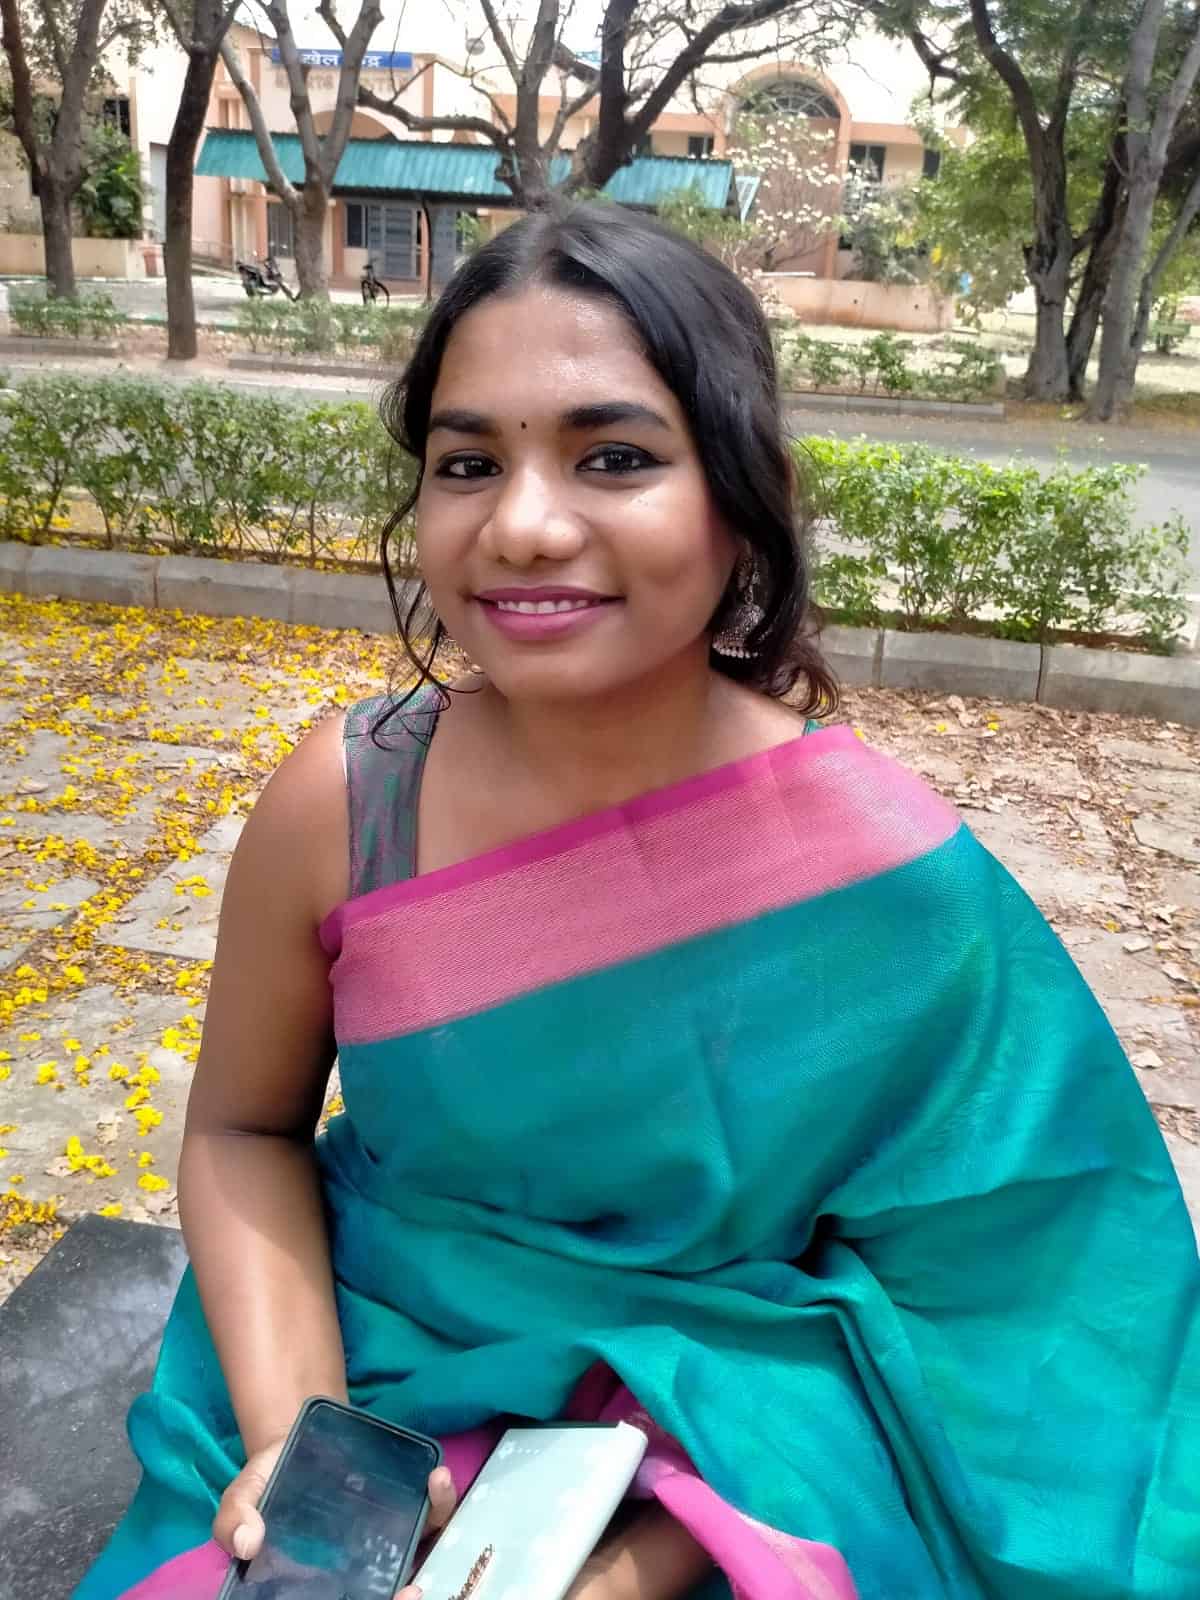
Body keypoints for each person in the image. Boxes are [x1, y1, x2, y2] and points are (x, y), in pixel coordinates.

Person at [77, 203, 1198, 1600]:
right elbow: (244, 1130)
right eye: (467, 463)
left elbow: (1014, 1293)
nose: (524, 525)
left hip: (742, 1440)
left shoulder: (877, 876)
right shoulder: (346, 804)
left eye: (615, 456)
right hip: (362, 1368)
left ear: (739, 494)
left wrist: (644, 1554)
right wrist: (311, 1448)